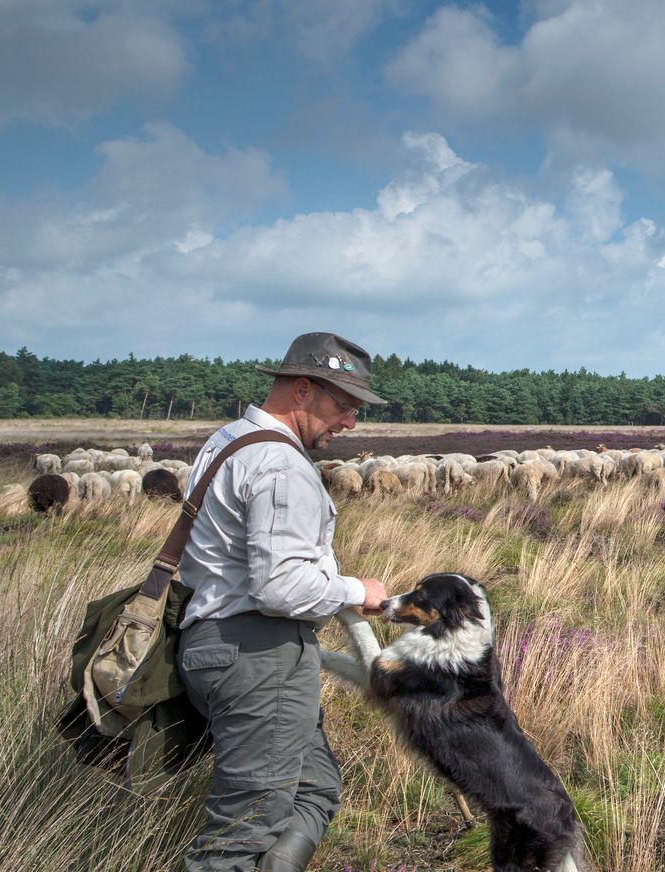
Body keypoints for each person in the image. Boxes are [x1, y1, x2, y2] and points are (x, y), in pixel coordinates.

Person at [175, 332, 390, 872]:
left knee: (314, 790)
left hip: (222, 646)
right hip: (256, 655)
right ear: (301, 391)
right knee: (242, 832)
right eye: (343, 405)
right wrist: (353, 590)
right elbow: (281, 587)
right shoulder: (281, 466)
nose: (350, 424)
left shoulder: (229, 440)